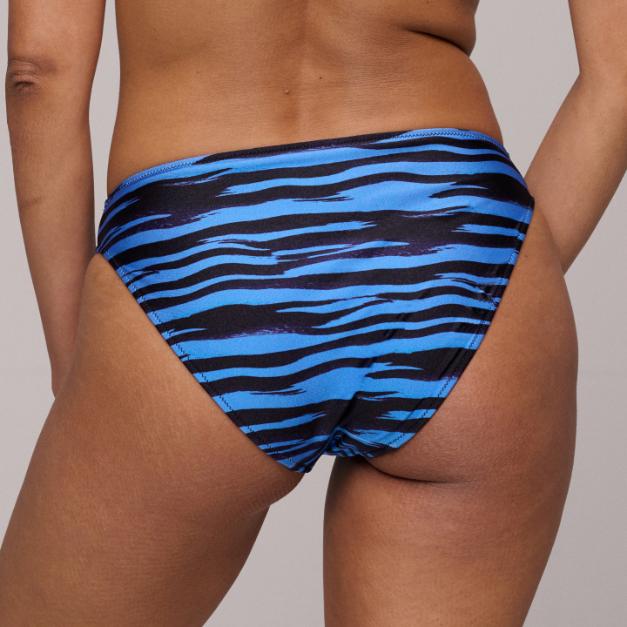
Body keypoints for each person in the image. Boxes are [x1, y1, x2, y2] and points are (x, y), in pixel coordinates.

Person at [1, 1, 625, 625]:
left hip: (208, 245)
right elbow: (618, 74)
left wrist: (76, 356)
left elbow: (38, 73)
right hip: (452, 231)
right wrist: (499, 279)